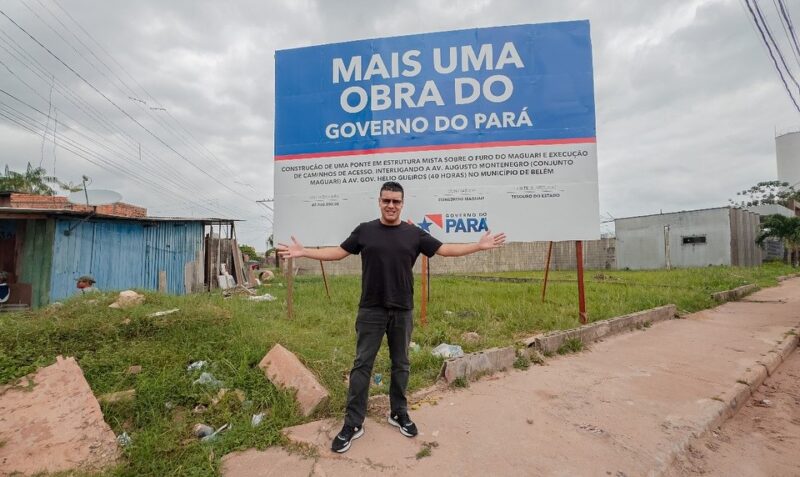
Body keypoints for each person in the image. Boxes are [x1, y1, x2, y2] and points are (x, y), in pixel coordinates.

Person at [278, 181, 506, 453]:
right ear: (379, 201)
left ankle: (398, 412)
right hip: (371, 310)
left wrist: (478, 246)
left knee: (401, 364)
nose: (391, 205)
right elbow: (338, 253)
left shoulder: (414, 234)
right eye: (386, 200)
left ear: (402, 203)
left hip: (402, 310)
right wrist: (305, 252)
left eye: (396, 201)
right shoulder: (365, 231)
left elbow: (445, 250)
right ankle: (353, 423)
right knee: (362, 365)